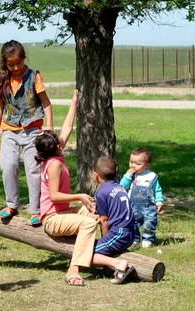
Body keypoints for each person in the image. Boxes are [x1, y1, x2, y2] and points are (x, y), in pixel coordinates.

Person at [35, 90, 134, 286]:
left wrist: (74, 103)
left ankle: (105, 248)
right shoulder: (53, 164)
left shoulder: (54, 152)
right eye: (58, 140)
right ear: (56, 147)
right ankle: (74, 268)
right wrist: (79, 196)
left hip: (63, 213)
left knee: (95, 213)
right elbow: (54, 196)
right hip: (52, 219)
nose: (61, 138)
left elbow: (67, 128)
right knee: (88, 224)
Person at [0, 40, 54, 226]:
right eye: (11, 64)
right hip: (9, 128)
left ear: (24, 58)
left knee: (33, 169)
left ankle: (36, 210)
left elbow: (46, 102)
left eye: (19, 63)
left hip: (32, 129)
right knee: (8, 165)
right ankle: (12, 204)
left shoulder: (34, 77)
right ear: (5, 63)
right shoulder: (1, 78)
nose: (16, 67)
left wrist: (49, 128)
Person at [93, 157, 138, 282]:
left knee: (86, 254)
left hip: (119, 234)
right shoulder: (119, 187)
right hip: (130, 233)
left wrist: (105, 239)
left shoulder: (101, 192)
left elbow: (104, 220)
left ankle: (119, 264)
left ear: (95, 175)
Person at [120, 148, 164, 248]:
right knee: (132, 223)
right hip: (132, 205)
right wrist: (128, 175)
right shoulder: (130, 176)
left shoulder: (151, 176)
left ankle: (147, 240)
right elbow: (122, 187)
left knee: (149, 223)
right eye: (131, 162)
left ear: (147, 165)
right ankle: (135, 239)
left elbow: (157, 190)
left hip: (148, 207)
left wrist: (159, 201)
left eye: (137, 164)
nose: (133, 165)